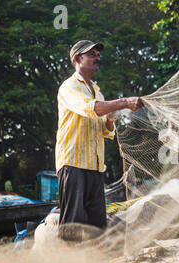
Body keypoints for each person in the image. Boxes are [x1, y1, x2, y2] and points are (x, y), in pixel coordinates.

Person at [55, 40, 144, 239]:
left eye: (98, 54)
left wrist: (111, 119)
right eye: (92, 54)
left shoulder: (96, 90)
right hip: (73, 162)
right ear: (78, 58)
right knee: (73, 221)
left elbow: (104, 130)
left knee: (96, 222)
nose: (98, 58)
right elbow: (91, 108)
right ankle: (67, 262)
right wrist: (125, 102)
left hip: (95, 165)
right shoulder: (69, 87)